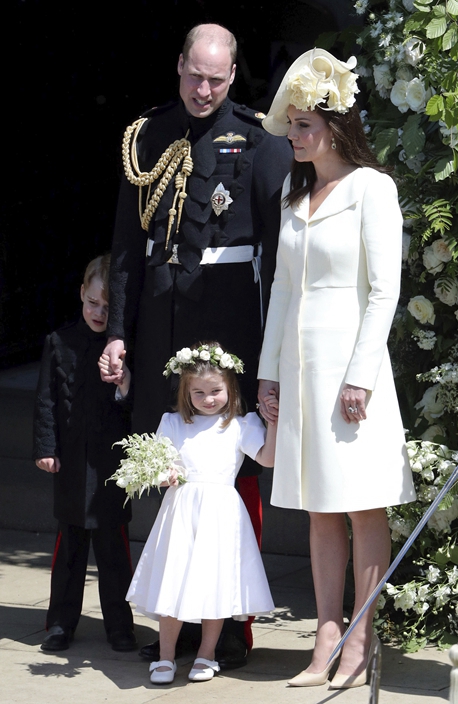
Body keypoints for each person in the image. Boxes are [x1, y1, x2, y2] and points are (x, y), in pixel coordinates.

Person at [102, 22, 293, 666]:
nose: (203, 88)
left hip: (229, 324)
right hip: (162, 326)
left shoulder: (261, 141)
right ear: (178, 64)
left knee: (229, 475)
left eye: (215, 78)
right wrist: (122, 333)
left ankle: (230, 622)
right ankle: (172, 618)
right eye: (194, 74)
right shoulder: (149, 135)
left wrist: (274, 353)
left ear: (233, 77)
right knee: (165, 467)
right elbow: (129, 248)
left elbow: (283, 249)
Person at [257, 48, 416, 689]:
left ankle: (359, 639)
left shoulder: (371, 188)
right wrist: (268, 375)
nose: (293, 135)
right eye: (290, 123)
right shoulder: (297, 196)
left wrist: (361, 375)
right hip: (301, 372)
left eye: (303, 124)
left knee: (360, 507)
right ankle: (325, 636)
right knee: (321, 508)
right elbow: (284, 294)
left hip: (352, 371)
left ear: (334, 125)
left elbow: (384, 290)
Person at [123, 342, 277, 684]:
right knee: (172, 580)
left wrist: (274, 423)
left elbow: (267, 458)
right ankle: (165, 655)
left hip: (221, 512)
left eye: (216, 391)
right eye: (199, 392)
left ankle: (206, 653)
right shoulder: (173, 422)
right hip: (181, 511)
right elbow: (160, 466)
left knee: (214, 584)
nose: (208, 399)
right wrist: (165, 476)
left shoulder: (241, 424)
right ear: (185, 391)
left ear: (230, 388)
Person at [33, 254, 137, 653]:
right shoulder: (59, 342)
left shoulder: (123, 350)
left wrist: (125, 384)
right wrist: (46, 448)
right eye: (93, 302)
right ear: (81, 294)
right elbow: (46, 401)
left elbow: (133, 407)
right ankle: (60, 622)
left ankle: (119, 625)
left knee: (113, 548)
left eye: (108, 307)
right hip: (72, 462)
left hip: (111, 463)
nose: (98, 312)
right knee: (70, 546)